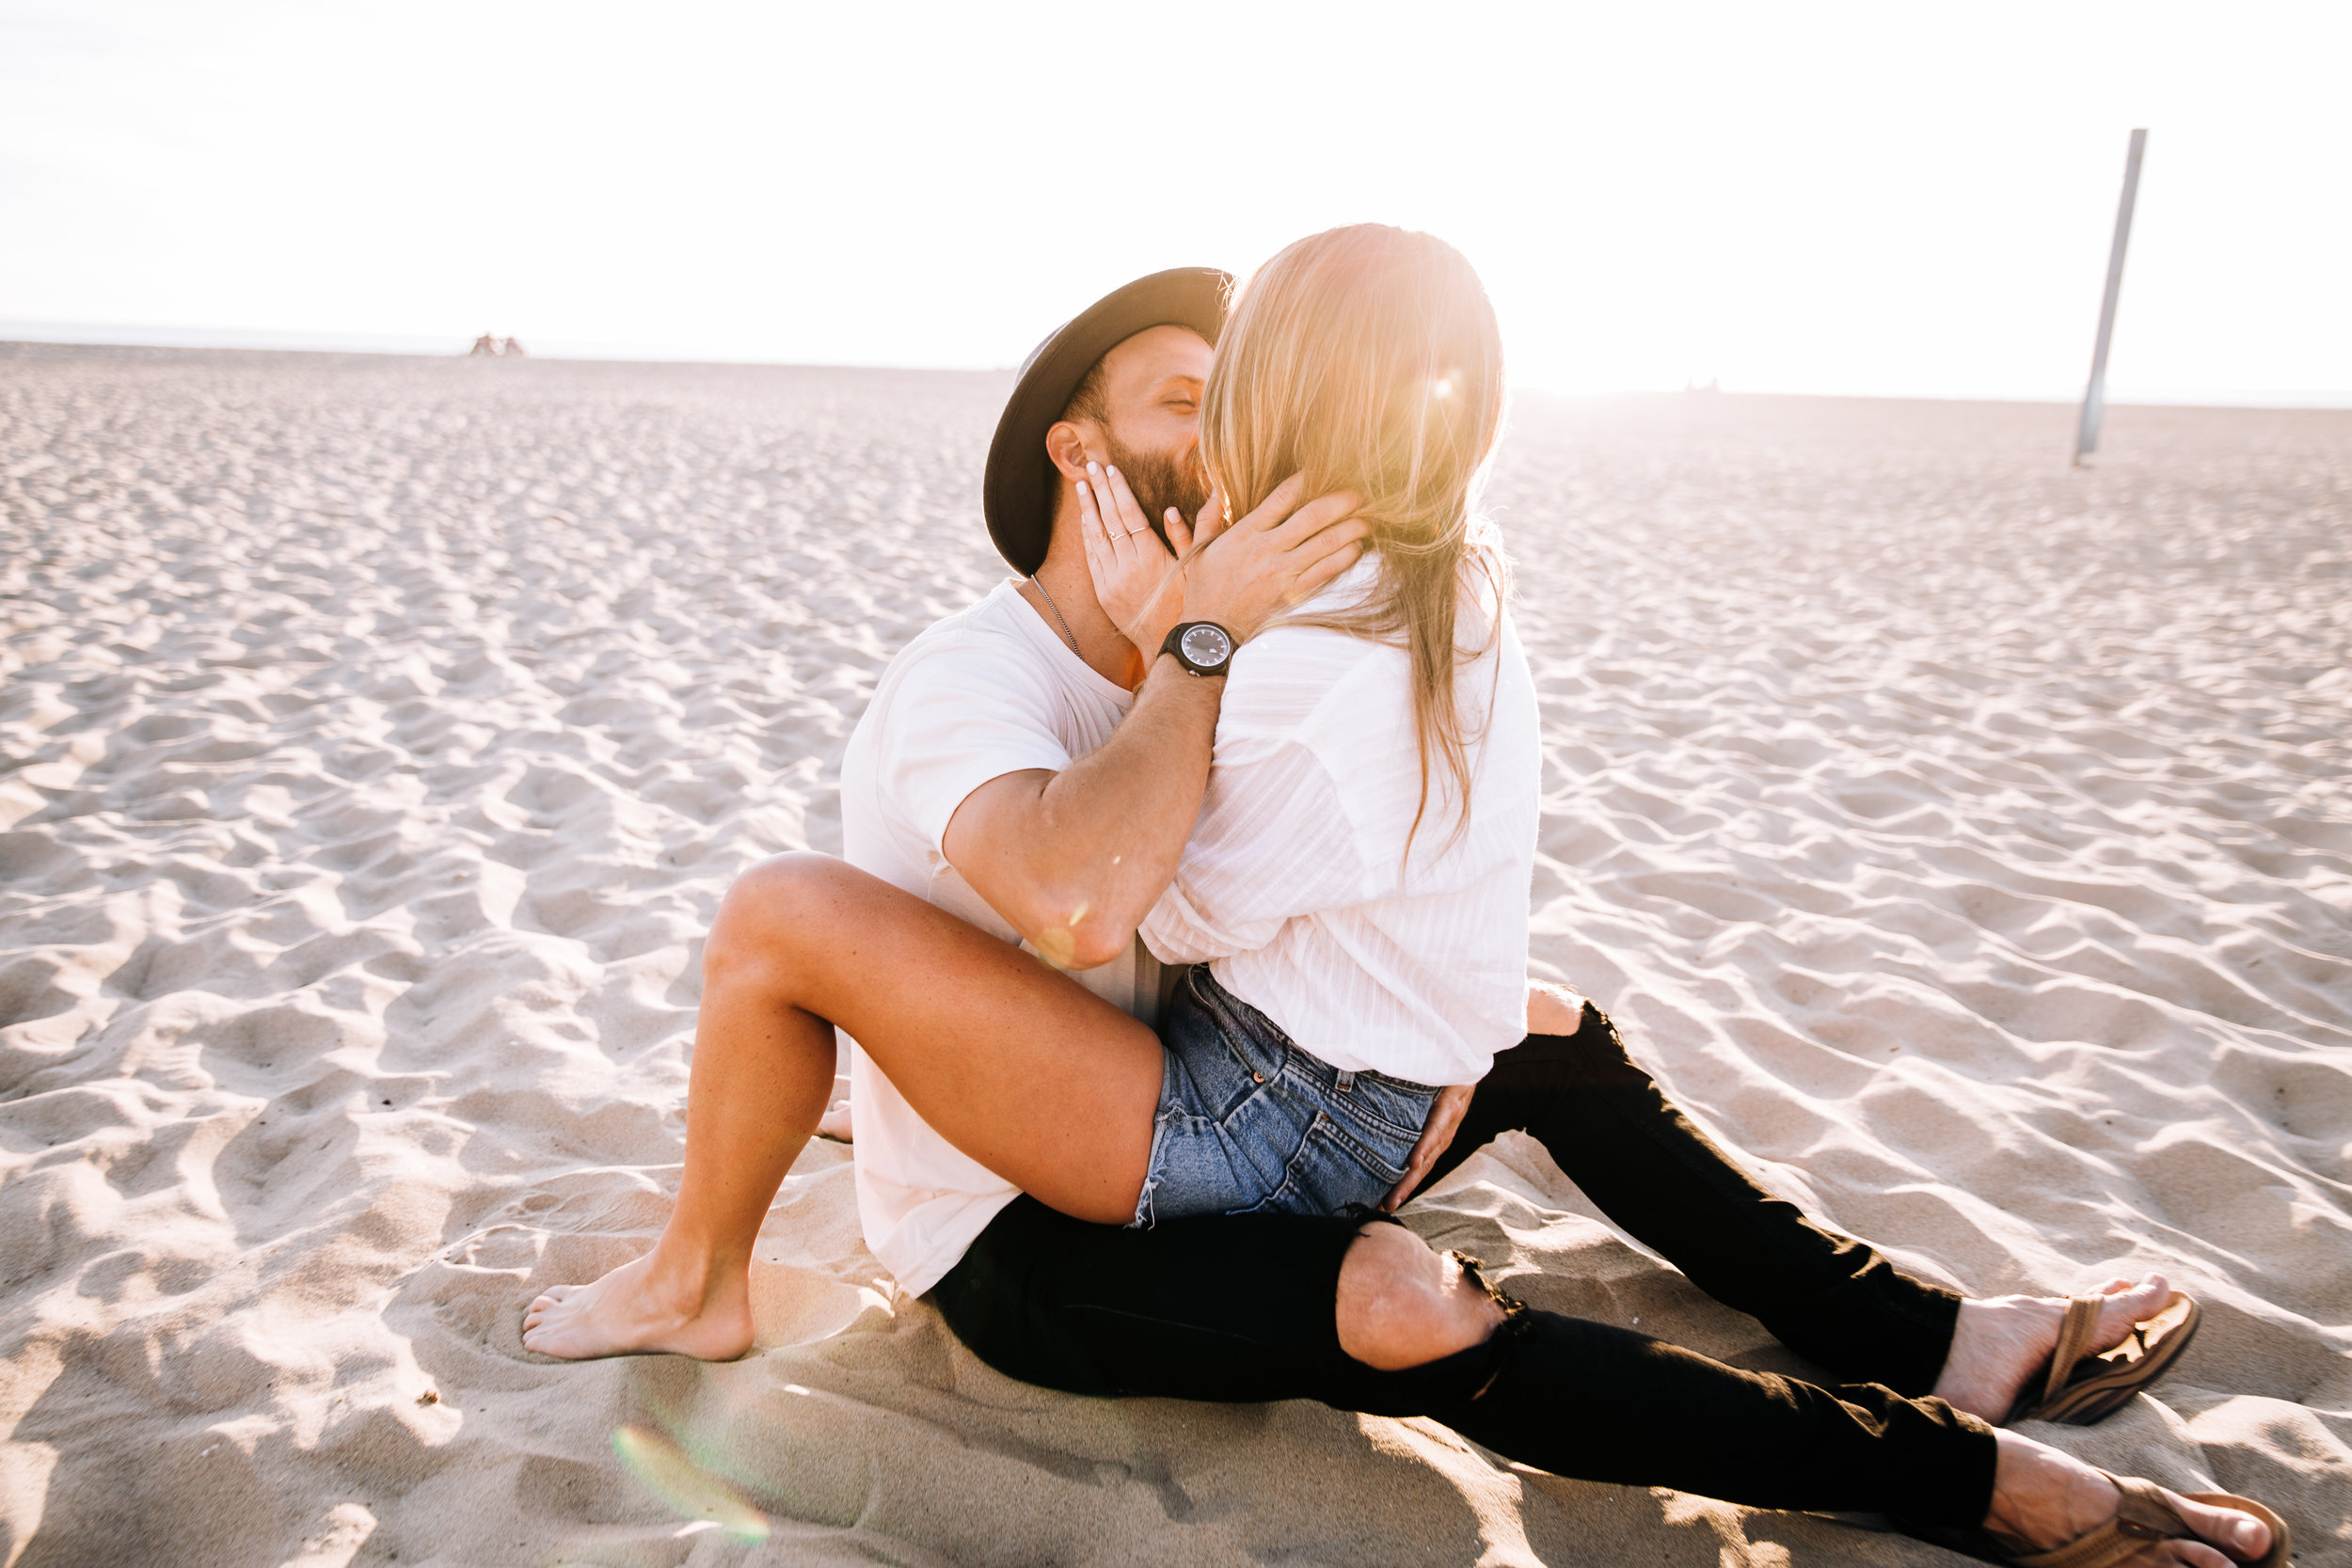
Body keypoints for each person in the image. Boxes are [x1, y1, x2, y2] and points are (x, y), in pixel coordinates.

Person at [525, 232, 2280, 1566]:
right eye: (1184, 404)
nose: (1238, 438)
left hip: (1203, 1104)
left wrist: (1208, 652)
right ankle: (1975, 1486)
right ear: (1080, 457)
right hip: (1028, 1234)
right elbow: (1076, 901)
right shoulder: (972, 690)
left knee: (1540, 1024)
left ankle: (1930, 1340)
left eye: (1250, 392)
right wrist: (1187, 643)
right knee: (1397, 1302)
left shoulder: (1251, 643)